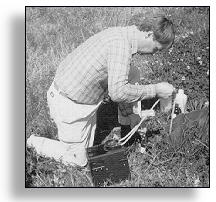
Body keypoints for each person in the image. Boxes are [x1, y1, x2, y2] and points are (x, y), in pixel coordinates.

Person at [27, 15, 175, 167]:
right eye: (156, 48)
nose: (154, 53)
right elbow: (117, 92)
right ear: (149, 34)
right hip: (68, 103)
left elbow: (119, 84)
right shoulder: (120, 46)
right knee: (79, 159)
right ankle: (31, 142)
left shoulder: (125, 35)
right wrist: (156, 90)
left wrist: (130, 112)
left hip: (83, 99)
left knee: (132, 72)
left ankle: (128, 119)